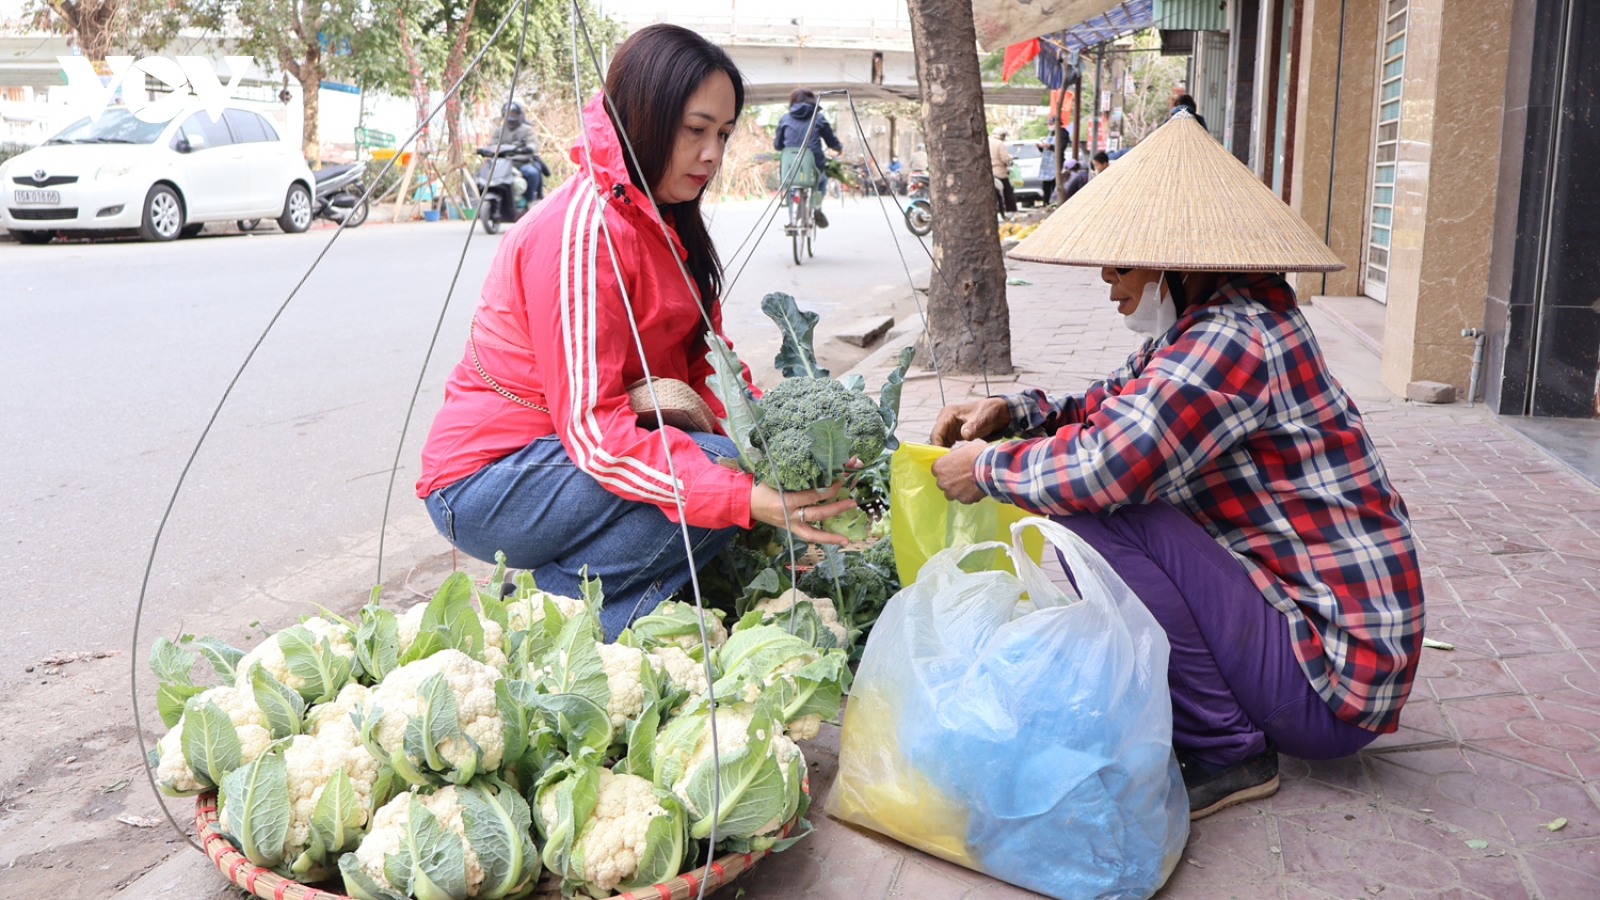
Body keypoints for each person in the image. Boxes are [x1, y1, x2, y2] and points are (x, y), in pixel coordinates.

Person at [931, 110, 1422, 820]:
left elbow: (1104, 466)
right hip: (1328, 645)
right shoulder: (1214, 323)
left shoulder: (1235, 337)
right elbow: (1108, 404)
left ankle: (1227, 748)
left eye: (1123, 263)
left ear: (1181, 261)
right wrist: (1014, 413)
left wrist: (985, 469)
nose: (1109, 281)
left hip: (1336, 686)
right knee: (1086, 486)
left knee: (1091, 511)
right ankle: (1219, 718)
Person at [416, 24, 857, 639]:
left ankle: (578, 604)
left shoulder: (664, 222)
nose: (712, 154)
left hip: (563, 458)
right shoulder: (583, 231)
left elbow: (709, 371)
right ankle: (548, 623)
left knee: (726, 475)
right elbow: (596, 433)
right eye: (695, 130)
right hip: (488, 479)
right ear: (645, 116)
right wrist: (739, 498)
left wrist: (783, 454)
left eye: (724, 135)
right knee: (717, 480)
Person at [774, 88, 843, 227]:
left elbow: (778, 145)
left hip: (791, 164)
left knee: (793, 184)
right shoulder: (818, 118)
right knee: (821, 180)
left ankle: (794, 215)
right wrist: (838, 148)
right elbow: (831, 141)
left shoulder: (785, 118)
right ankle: (817, 208)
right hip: (814, 163)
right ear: (812, 101)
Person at [490, 101, 543, 203]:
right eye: (508, 113)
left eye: (513, 113)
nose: (510, 115)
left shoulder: (527, 130)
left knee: (533, 173)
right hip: (502, 164)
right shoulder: (499, 130)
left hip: (521, 162)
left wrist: (529, 148)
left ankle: (530, 200)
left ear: (519, 114)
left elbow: (533, 143)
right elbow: (492, 144)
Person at [988, 128, 1016, 214]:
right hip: (999, 172)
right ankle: (1011, 211)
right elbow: (1004, 158)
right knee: (1008, 192)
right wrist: (1010, 157)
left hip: (989, 172)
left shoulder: (987, 141)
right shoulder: (999, 144)